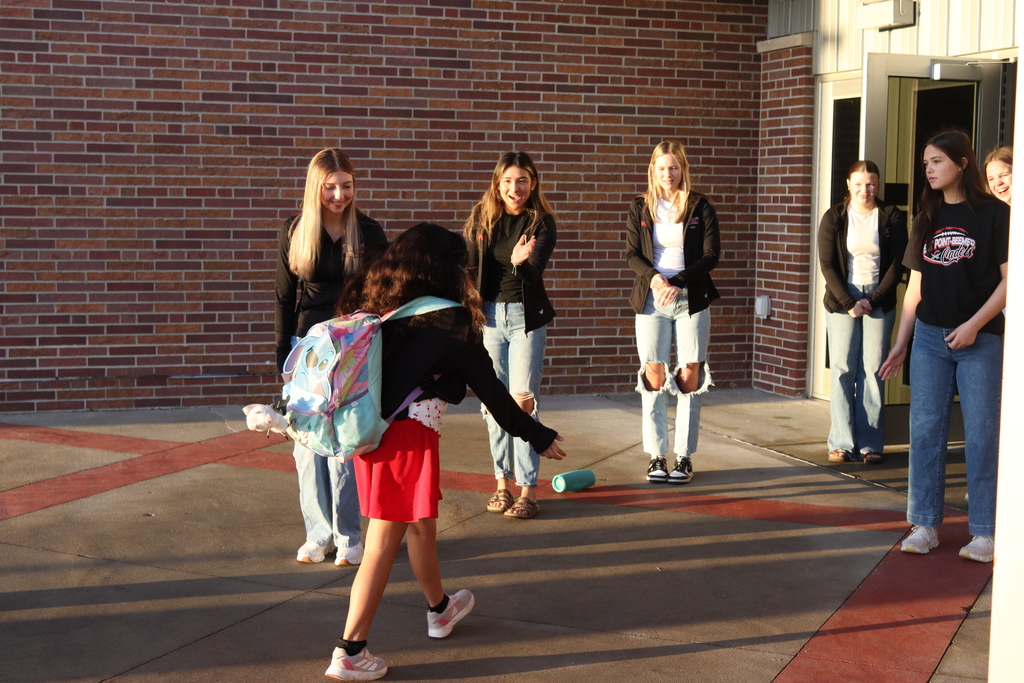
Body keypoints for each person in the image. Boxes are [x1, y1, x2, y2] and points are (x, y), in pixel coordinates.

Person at [325, 223, 566, 680]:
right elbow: (493, 392)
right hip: (409, 442)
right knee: (381, 543)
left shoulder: (385, 308)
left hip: (372, 440)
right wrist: (538, 435)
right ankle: (350, 651)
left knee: (421, 528)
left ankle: (439, 609)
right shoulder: (449, 319)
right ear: (444, 268)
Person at [879, 130, 1010, 564]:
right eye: (925, 163)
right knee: (925, 431)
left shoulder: (995, 215)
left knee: (981, 435)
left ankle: (985, 532)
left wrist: (974, 325)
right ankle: (925, 524)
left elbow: (1012, 282)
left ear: (961, 163)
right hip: (931, 339)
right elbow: (914, 287)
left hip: (981, 339)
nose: (929, 169)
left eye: (936, 161)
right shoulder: (928, 214)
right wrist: (902, 342)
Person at [274, 148, 387, 566]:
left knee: (344, 443)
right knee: (306, 446)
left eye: (346, 186)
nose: (339, 195)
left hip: (354, 351)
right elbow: (284, 299)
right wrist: (282, 363)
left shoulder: (370, 232)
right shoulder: (294, 230)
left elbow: (383, 297)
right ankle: (317, 535)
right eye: (330, 187)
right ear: (316, 187)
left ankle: (349, 536)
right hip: (307, 351)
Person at [463, 151, 558, 520]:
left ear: (532, 183)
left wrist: (520, 263)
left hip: (524, 319)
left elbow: (534, 275)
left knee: (522, 402)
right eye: (507, 181)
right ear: (497, 184)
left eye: (521, 181)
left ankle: (528, 490)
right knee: (492, 404)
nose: (514, 188)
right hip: (488, 318)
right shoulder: (481, 217)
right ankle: (502, 484)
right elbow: (468, 270)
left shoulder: (542, 223)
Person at [625, 140, 720, 485]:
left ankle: (683, 456)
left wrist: (677, 281)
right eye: (662, 168)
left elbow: (711, 256)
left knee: (690, 375)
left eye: (675, 167)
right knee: (654, 376)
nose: (669, 174)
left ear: (683, 169)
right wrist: (655, 280)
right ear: (653, 170)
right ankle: (656, 456)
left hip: (691, 298)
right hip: (653, 300)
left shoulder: (700, 206)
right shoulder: (640, 207)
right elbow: (632, 254)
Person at [817, 160, 908, 464]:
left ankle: (870, 444)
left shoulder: (891, 215)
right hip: (843, 297)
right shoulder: (835, 217)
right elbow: (827, 265)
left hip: (879, 298)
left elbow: (898, 263)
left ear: (877, 184)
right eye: (858, 183)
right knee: (843, 369)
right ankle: (842, 442)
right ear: (848, 185)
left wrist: (874, 299)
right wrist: (849, 302)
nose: (864, 189)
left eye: (870, 183)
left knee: (873, 369)